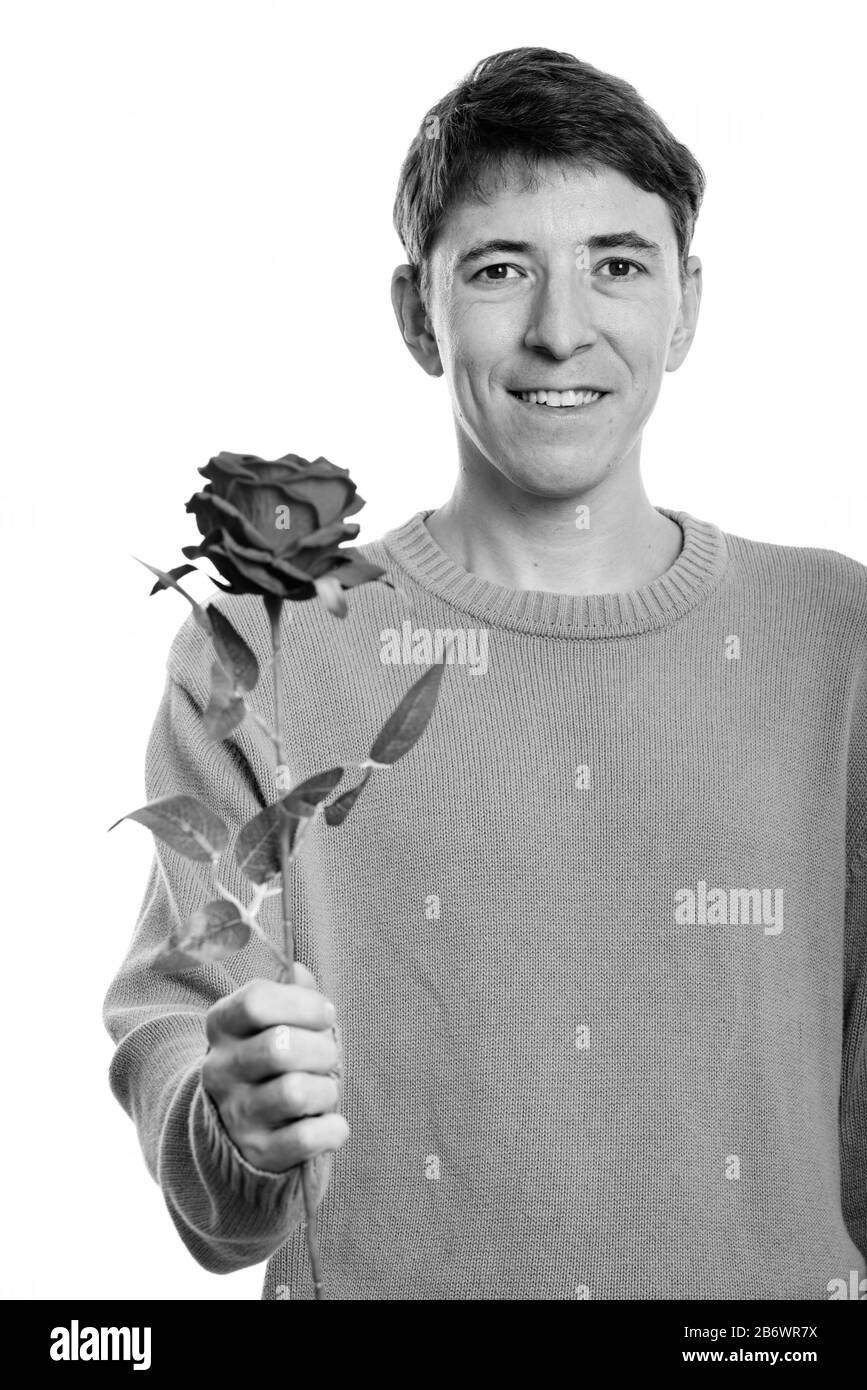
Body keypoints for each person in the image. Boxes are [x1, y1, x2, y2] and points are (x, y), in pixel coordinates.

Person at [103, 45, 867, 1300]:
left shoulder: (837, 633)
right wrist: (229, 1123)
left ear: (687, 304)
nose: (563, 327)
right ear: (418, 313)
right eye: (502, 269)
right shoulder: (266, 646)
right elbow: (191, 1044)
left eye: (618, 265)